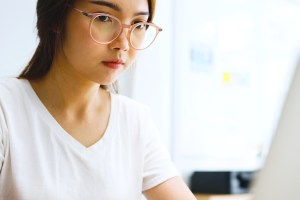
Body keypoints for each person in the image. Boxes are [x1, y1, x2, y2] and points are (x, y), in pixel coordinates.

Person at [0, 0, 197, 199]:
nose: (123, 44)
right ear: (57, 19)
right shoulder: (6, 108)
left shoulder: (134, 120)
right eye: (104, 18)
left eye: (139, 24)